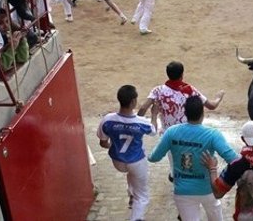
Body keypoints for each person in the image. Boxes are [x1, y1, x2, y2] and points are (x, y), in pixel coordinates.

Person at [148, 96, 238, 221]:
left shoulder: (171, 132)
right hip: (208, 190)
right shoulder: (213, 134)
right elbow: (234, 160)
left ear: (185, 113)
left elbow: (153, 158)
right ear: (202, 113)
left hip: (183, 191)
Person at [137, 61, 225, 182]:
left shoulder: (158, 91)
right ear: (182, 75)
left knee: (174, 162)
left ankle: (176, 177)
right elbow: (212, 105)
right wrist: (219, 97)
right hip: (188, 133)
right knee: (186, 163)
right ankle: (185, 181)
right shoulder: (190, 90)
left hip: (169, 135)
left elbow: (142, 108)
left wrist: (135, 122)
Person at [97, 85, 156, 221]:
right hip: (136, 162)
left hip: (117, 162)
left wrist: (114, 146)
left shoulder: (107, 119)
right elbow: (154, 131)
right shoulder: (141, 122)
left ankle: (131, 195)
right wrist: (154, 114)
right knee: (142, 196)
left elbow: (103, 143)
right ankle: (136, 218)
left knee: (131, 174)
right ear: (133, 102)